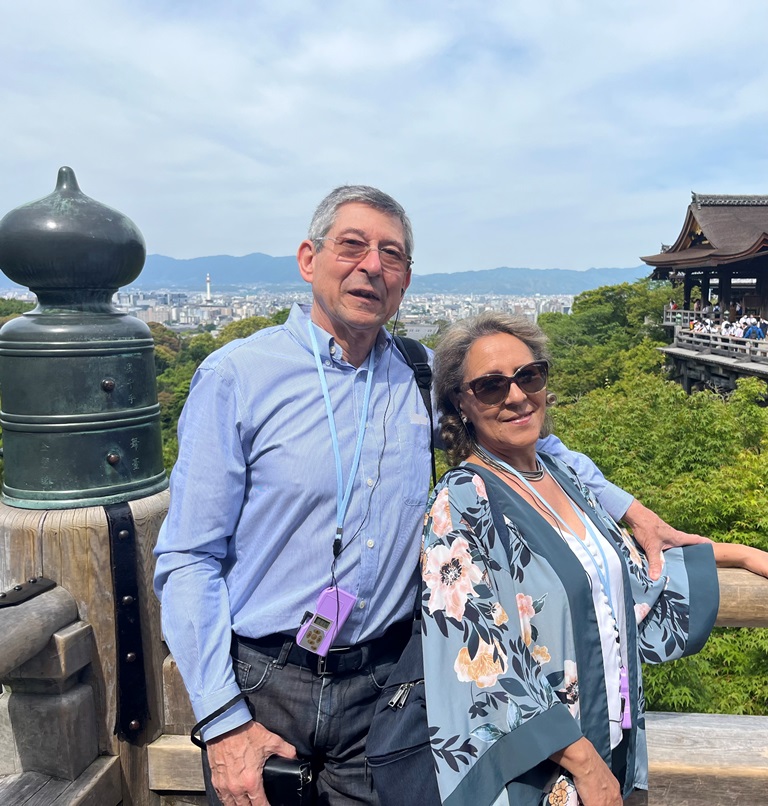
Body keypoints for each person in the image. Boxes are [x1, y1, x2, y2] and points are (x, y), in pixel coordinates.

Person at [154, 187, 708, 806]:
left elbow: (524, 441)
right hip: (267, 678)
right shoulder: (237, 377)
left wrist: (627, 508)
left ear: (407, 279)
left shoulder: (418, 374)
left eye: (391, 254)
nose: (372, 266)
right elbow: (188, 557)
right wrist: (223, 722)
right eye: (352, 246)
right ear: (309, 259)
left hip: (389, 682)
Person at [419, 312, 768, 806]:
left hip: (610, 738)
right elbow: (479, 654)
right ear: (462, 402)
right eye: (491, 386)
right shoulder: (461, 501)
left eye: (529, 376)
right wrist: (584, 765)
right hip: (548, 769)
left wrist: (743, 554)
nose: (516, 396)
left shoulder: (563, 477)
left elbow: (632, 574)